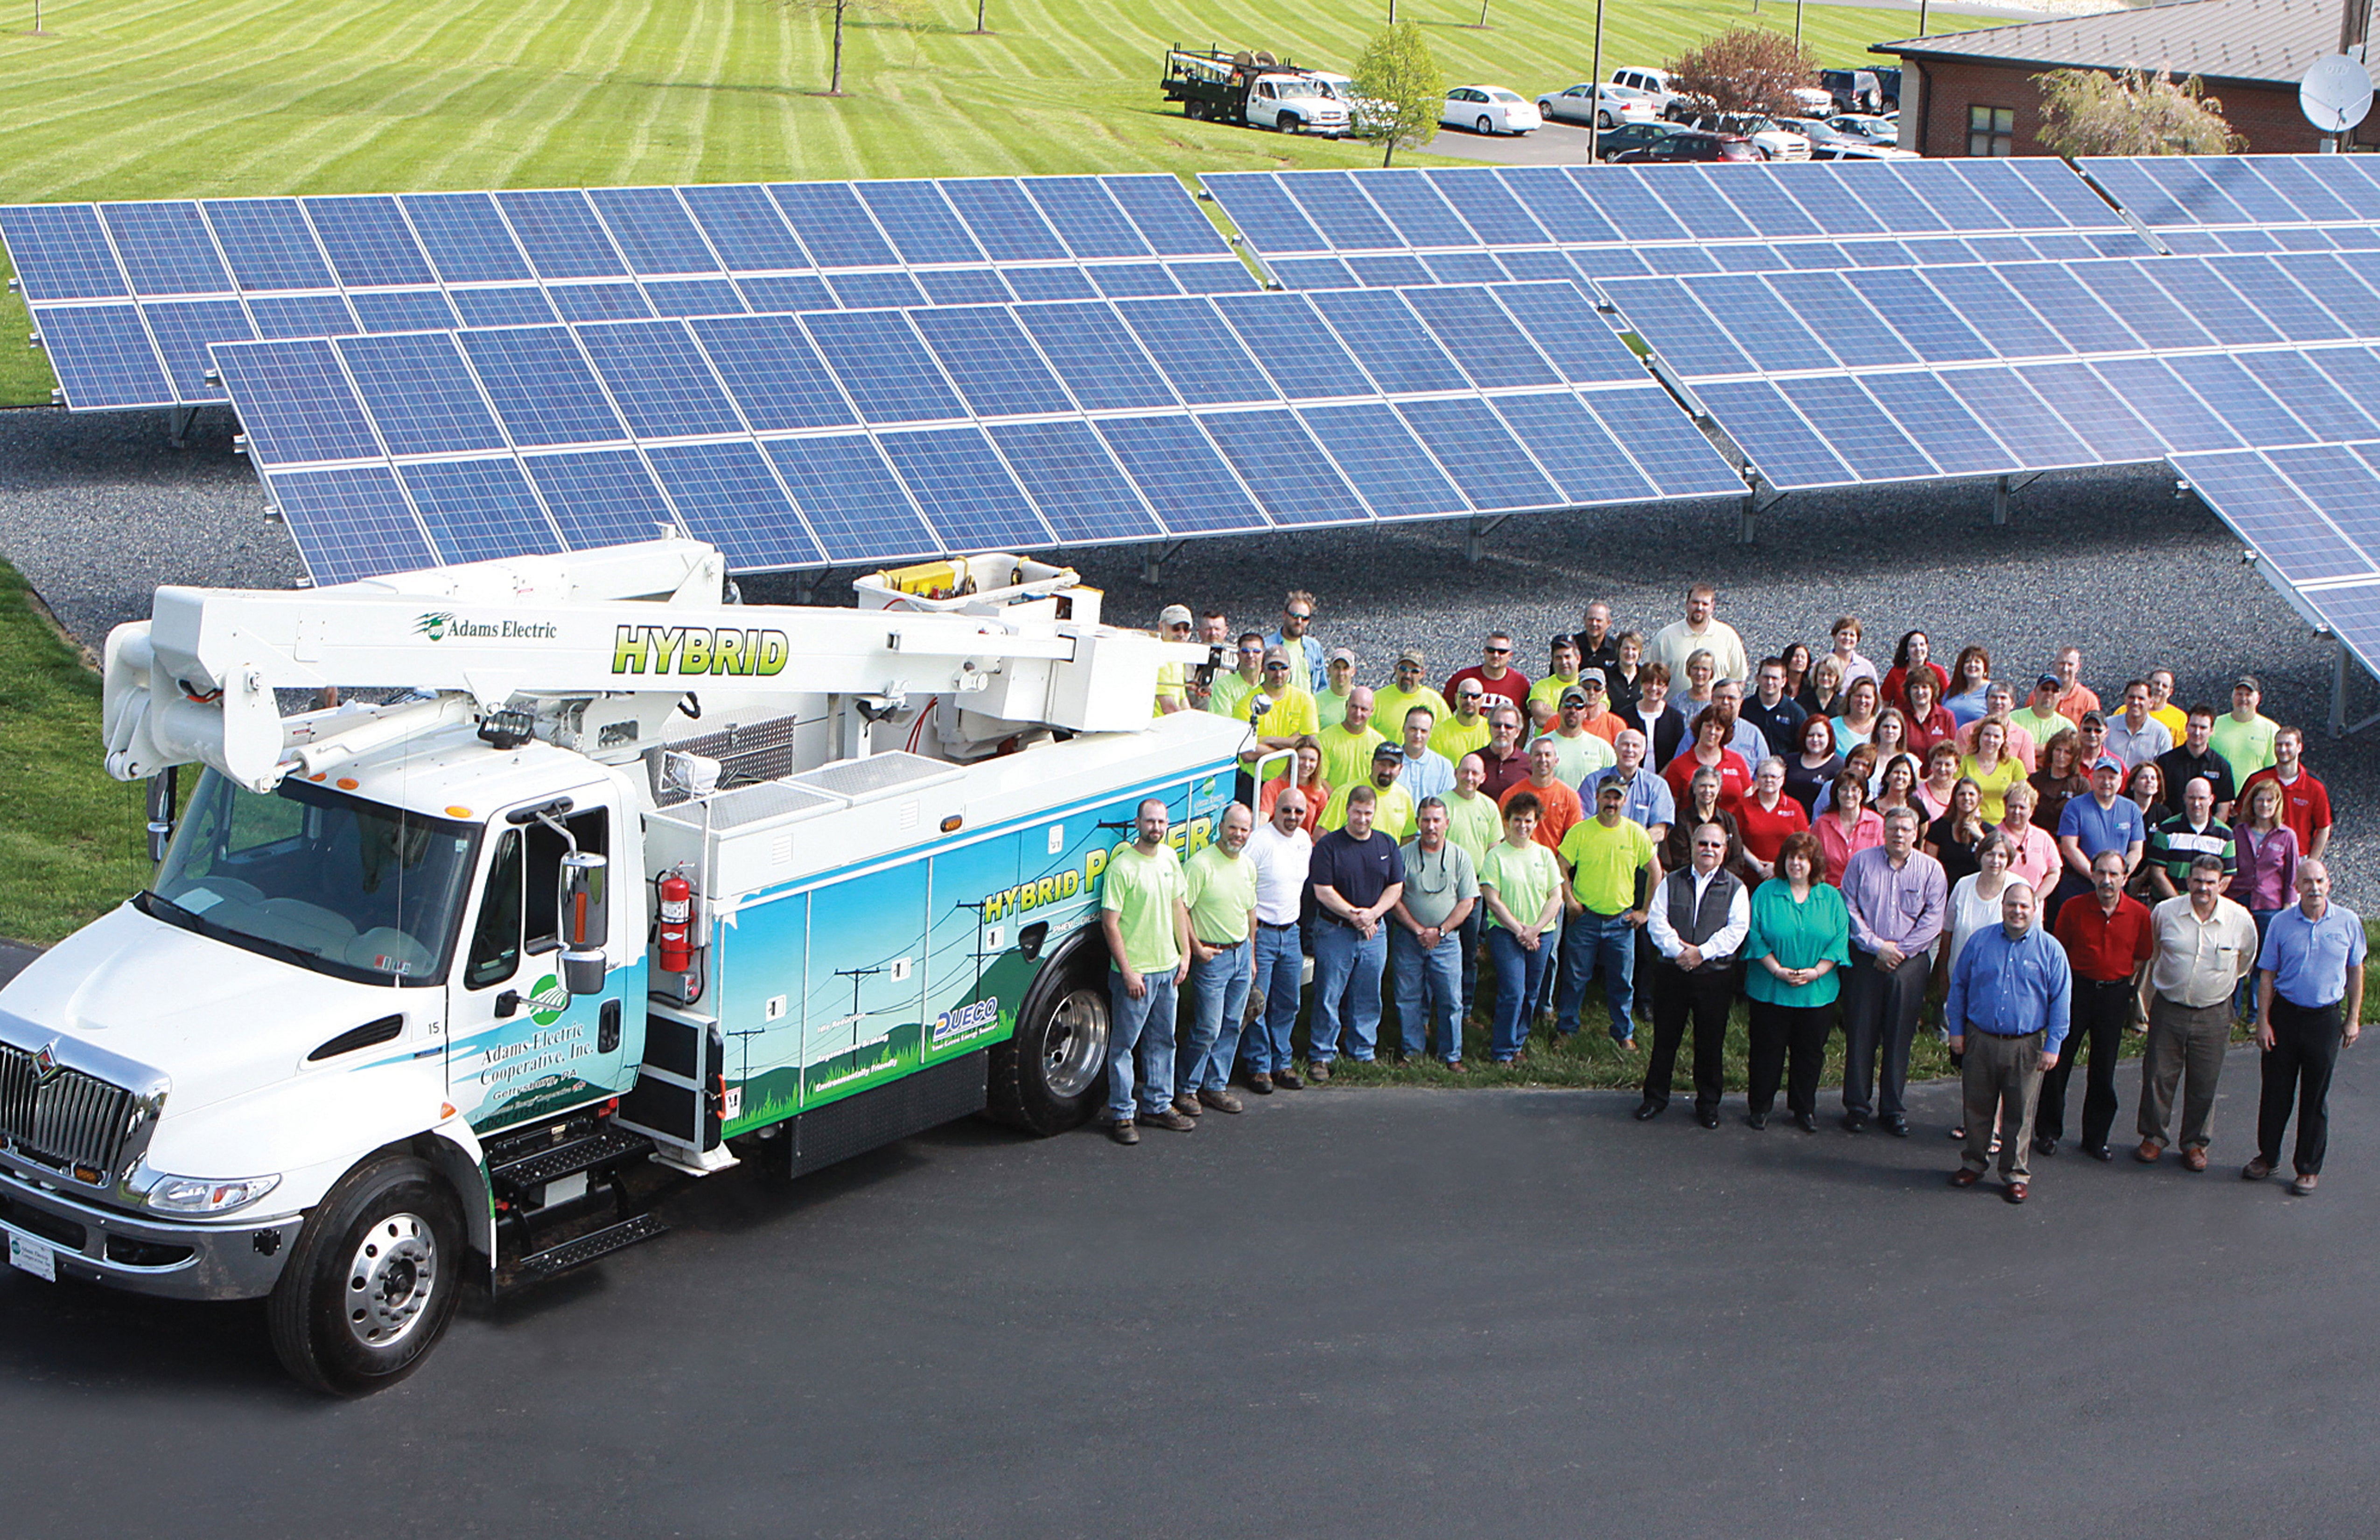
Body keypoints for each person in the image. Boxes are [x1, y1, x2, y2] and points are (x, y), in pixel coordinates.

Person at [1946, 880, 2070, 1204]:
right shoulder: (1980, 942)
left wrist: (2053, 1044)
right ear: (2002, 906)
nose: (2017, 911)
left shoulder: (2050, 949)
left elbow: (2061, 1001)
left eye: (2024, 906)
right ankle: (1973, 1162)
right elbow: (1959, 986)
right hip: (1980, 1039)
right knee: (1977, 1106)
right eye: (2012, 904)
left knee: (2020, 1112)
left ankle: (2015, 1173)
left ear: (2035, 909)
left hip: (2026, 1045)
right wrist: (1956, 1032)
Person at [2247, 860, 2365, 1194]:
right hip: (2285, 1016)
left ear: (2329, 884)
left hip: (2324, 1019)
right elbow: (2267, 974)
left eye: (2319, 881)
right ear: (2296, 886)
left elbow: (2356, 970)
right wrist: (2263, 1021)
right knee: (2275, 1092)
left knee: (2315, 1098)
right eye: (2307, 882)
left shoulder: (2348, 922)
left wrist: (2353, 1017)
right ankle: (2267, 1158)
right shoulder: (2282, 923)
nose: (2314, 887)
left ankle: (2308, 1168)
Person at [2135, 854, 2259, 1170]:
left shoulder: (2240, 919)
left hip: (2214, 1012)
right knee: (2158, 1075)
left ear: (2222, 884)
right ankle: (2153, 1137)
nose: (2203, 887)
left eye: (2210, 882)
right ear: (2188, 881)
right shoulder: (2165, 912)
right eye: (2198, 880)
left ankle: (2194, 1144)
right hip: (2170, 1007)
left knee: (2205, 1081)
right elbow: (2155, 953)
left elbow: (2245, 961)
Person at [1840, 807, 1947, 1136]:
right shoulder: (1861, 862)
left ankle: (1893, 1108)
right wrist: (1877, 946)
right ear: (1882, 832)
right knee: (1861, 1032)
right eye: (1893, 828)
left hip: (1910, 962)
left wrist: (1899, 952)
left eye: (1906, 828)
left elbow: (1933, 920)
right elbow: (1849, 906)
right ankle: (1857, 1106)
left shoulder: (1932, 870)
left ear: (1916, 833)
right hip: (1867, 957)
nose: (1899, 834)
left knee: (1900, 1035)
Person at [2044, 849, 2154, 1161]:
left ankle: (2096, 1137)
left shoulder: (2139, 914)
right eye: (2101, 873)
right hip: (2077, 990)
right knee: (2059, 1062)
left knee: (2104, 1068)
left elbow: (2141, 954)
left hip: (2115, 995)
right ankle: (2049, 1131)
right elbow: (2060, 951)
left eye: (2114, 874)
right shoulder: (2073, 907)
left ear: (2125, 877)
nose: (2107, 880)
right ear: (2091, 875)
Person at [1637, 822, 1749, 1128]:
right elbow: (1658, 922)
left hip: (1715, 976)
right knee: (1665, 1039)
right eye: (1703, 844)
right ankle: (1655, 1098)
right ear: (1692, 846)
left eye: (1715, 845)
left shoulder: (1737, 888)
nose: (1708, 850)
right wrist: (1680, 952)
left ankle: (1709, 1104)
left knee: (1710, 1042)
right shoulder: (1671, 882)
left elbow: (1736, 930)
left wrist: (1703, 952)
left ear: (1724, 851)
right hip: (1674, 973)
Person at [1099, 799, 1193, 1143]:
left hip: (1167, 970)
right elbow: (1110, 924)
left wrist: (1184, 954)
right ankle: (1123, 1114)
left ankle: (1158, 1105)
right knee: (1124, 1045)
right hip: (1136, 974)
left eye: (1161, 821)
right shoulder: (1122, 868)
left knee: (1163, 1041)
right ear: (1138, 823)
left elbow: (1178, 906)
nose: (1156, 827)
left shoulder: (1170, 858)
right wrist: (1127, 971)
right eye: (1150, 821)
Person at [1743, 830, 1849, 1133]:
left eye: (1803, 858)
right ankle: (1760, 1106)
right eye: (1791, 857)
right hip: (1770, 988)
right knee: (1767, 1050)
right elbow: (1754, 934)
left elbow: (1840, 938)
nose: (1796, 864)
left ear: (1813, 863)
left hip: (1816, 991)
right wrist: (1776, 969)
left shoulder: (1830, 896)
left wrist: (1816, 971)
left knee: (1810, 1053)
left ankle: (1804, 1108)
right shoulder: (1765, 893)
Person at [1305, 785, 1406, 1080]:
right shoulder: (1329, 847)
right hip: (1335, 932)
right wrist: (1356, 916)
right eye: (1358, 812)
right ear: (1348, 810)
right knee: (1328, 995)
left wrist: (1373, 914)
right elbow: (1322, 891)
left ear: (1375, 813)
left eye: (1368, 813)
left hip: (1375, 933)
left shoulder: (1387, 845)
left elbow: (1396, 887)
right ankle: (1321, 1055)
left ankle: (1363, 1051)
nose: (1362, 819)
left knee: (1368, 994)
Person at [1556, 779, 1661, 1049]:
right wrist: (1570, 901)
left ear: (1624, 802)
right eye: (1606, 798)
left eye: (1617, 799)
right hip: (1585, 918)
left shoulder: (1636, 834)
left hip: (1622, 922)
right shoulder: (1581, 832)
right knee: (1575, 978)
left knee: (1622, 982)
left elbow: (1655, 872)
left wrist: (1645, 911)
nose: (1611, 804)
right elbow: (1562, 866)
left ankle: (1624, 1032)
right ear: (1597, 798)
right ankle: (1567, 1029)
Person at [1176, 802, 1258, 1117]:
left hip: (1240, 955)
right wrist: (1196, 948)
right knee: (1208, 1027)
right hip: (1213, 957)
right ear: (1220, 827)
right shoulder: (1200, 865)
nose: (1238, 834)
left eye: (1244, 829)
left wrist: (1250, 954)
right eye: (1233, 827)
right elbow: (1181, 909)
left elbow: (1251, 911)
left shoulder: (1248, 866)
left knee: (1232, 1025)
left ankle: (1215, 1087)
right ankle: (1185, 1088)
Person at [1391, 798, 1477, 1071]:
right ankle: (1412, 1052)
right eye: (1426, 820)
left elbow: (1467, 901)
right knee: (1408, 997)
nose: (1431, 826)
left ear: (1447, 824)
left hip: (1447, 941)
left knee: (1452, 999)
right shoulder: (1403, 855)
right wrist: (1418, 930)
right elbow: (1394, 897)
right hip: (1409, 937)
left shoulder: (1460, 856)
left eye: (1437, 820)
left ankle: (1451, 1056)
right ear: (1418, 823)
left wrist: (1441, 931)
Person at [1479, 794, 1564, 1064]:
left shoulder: (1545, 855)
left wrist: (1536, 929)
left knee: (1531, 992)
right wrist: (1520, 931)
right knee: (1513, 992)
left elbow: (1556, 897)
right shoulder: (1496, 856)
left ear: (1536, 822)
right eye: (1517, 820)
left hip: (1541, 934)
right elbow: (1492, 899)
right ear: (1507, 822)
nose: (1523, 826)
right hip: (1506, 933)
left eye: (1529, 820)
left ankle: (1518, 1043)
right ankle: (1502, 1051)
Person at [1241, 787, 1313, 1094]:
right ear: (1276, 810)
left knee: (1288, 1002)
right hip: (1263, 932)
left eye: (1299, 811)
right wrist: (1251, 941)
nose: (1293, 817)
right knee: (1258, 1002)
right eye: (1287, 811)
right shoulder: (1259, 841)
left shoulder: (1304, 841)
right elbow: (1242, 884)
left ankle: (1281, 1062)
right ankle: (1258, 1067)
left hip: (1291, 932)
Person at [2229, 777, 2301, 1017]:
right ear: (2253, 803)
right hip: (2239, 899)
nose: (2265, 805)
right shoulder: (2238, 832)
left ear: (2277, 804)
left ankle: (2256, 1013)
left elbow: (2291, 874)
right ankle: (2232, 1011)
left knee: (2264, 960)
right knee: (2237, 956)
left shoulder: (2286, 836)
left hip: (2269, 904)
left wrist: (2288, 906)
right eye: (2260, 800)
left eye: (2270, 800)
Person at [1443, 753, 1504, 1020]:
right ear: (1456, 772)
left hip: (1474, 895)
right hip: (1443, 892)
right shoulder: (1442, 804)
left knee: (1469, 955)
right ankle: (1432, 1011)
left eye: (1475, 774)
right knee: (1438, 951)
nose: (1469, 778)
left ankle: (1464, 1010)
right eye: (1465, 771)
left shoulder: (1489, 808)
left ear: (1483, 778)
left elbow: (1494, 852)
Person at [2053, 754, 2144, 924]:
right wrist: (2097, 877)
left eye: (2112, 777)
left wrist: (2119, 877)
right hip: (2079, 884)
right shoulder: (2075, 807)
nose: (2106, 782)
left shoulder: (2132, 809)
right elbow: (2069, 848)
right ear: (2092, 778)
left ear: (2121, 780)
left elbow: (2136, 851)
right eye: (2101, 777)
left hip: (2117, 889)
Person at [2239, 725, 2331, 860]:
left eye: (2288, 745)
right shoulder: (2257, 780)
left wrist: (2311, 862)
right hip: (2260, 856)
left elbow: (2324, 828)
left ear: (2299, 748)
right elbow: (2242, 818)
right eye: (2279, 745)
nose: (2283, 750)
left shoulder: (2315, 787)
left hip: (2297, 857)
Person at [1586, 729, 1677, 847]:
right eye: (1625, 744)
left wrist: (1628, 848)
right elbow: (1584, 822)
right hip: (1601, 850)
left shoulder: (1658, 786)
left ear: (1643, 752)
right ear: (1615, 748)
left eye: (1635, 746)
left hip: (1640, 857)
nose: (1630, 750)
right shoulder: (1594, 782)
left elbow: (1659, 831)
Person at [2147, 776, 2234, 899]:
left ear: (2211, 800)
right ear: (2184, 799)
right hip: (2168, 904)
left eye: (2202, 798)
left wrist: (2204, 900)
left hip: (2206, 907)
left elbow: (2227, 877)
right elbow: (2157, 872)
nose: (2197, 803)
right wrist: (2179, 902)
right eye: (2192, 798)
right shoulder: (2167, 830)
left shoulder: (2225, 835)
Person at [1663, 765, 1747, 889]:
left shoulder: (1729, 820)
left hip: (1724, 885)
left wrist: (1718, 879)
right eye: (1703, 786)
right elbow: (1680, 859)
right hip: (1689, 884)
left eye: (1712, 786)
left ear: (1719, 789)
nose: (1707, 791)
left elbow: (1737, 859)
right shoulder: (1683, 820)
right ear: (1694, 788)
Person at [1648, 581, 1748, 684]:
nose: (1699, 608)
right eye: (1695, 603)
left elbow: (1738, 679)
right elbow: (1649, 677)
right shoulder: (1665, 637)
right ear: (1687, 603)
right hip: (1674, 701)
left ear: (1712, 607)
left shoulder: (1729, 636)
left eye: (1705, 604)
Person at [1316, 742, 1418, 842]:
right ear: (1372, 763)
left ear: (1401, 768)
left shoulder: (1404, 797)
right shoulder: (1346, 793)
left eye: (1392, 766)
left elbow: (1408, 838)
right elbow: (1321, 835)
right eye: (1382, 765)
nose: (1386, 771)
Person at [1735, 756, 1809, 884]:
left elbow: (1804, 843)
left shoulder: (1794, 807)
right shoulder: (1743, 806)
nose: (1769, 780)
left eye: (1774, 777)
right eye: (1764, 776)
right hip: (1750, 876)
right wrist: (1758, 867)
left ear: (1783, 780)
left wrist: (1778, 867)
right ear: (1757, 778)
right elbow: (1736, 841)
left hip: (1787, 876)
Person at [2154, 706, 2236, 821]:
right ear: (2186, 727)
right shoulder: (2166, 762)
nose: (2197, 732)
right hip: (2171, 831)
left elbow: (2223, 811)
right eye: (2194, 726)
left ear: (2211, 731)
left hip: (2207, 834)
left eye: (2203, 728)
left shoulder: (2221, 766)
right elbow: (2157, 802)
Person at [1663, 707, 1753, 809]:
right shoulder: (1679, 765)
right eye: (1709, 726)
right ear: (1700, 727)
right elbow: (1669, 806)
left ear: (1725, 733)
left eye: (1719, 728)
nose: (1713, 732)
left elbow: (1749, 800)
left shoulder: (1737, 761)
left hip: (1731, 824)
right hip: (1692, 824)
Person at [1816, 769, 1885, 886]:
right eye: (1844, 789)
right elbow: (1814, 862)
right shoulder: (1822, 824)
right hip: (1831, 892)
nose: (1849, 795)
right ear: (1836, 793)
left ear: (1863, 793)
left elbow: (1885, 861)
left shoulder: (1877, 822)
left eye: (1855, 790)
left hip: (1867, 892)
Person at [1540, 686, 1618, 787]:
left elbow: (1613, 786)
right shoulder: (1540, 746)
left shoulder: (1602, 748)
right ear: (1559, 709)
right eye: (1568, 705)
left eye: (1579, 707)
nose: (1573, 710)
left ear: (1586, 712)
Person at [1314, 686, 1384, 796]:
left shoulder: (1379, 742)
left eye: (1364, 709)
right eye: (1354, 707)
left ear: (1372, 711)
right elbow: (1319, 778)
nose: (1358, 713)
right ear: (1346, 706)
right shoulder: (1324, 739)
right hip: (1334, 805)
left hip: (1367, 809)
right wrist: (1339, 801)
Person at [1997, 781, 2061, 899]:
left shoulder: (2044, 838)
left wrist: (2035, 899)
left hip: (2033, 910)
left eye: (2022, 807)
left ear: (2032, 810)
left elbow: (2054, 872)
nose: (2017, 812)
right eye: (2012, 806)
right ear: (2005, 806)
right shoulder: (1994, 835)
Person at [1444, 631, 1530, 716]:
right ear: (1484, 652)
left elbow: (1524, 721)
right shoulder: (1463, 678)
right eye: (1491, 650)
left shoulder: (1520, 683)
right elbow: (1444, 712)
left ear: (1510, 656)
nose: (1496, 655)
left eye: (1502, 652)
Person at [2210, 675, 2280, 779]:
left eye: (2248, 695)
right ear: (2232, 696)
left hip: (2253, 794)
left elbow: (2272, 772)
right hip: (2220, 794)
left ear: (2258, 699)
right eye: (2239, 694)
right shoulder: (2214, 725)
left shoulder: (2271, 730)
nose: (2243, 699)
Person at [1959, 717, 2026, 825]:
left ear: (2004, 740)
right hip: (1970, 823)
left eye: (1996, 736)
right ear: (1979, 736)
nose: (1991, 740)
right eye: (1987, 735)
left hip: (2004, 826)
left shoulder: (2015, 765)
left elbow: (2023, 798)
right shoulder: (1964, 762)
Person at [1258, 737, 1329, 836]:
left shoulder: (1320, 794)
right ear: (1293, 759)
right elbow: (1263, 817)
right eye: (1302, 758)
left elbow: (1317, 832)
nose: (1307, 764)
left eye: (1312, 760)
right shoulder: (1272, 786)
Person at [1926, 776, 1988, 888]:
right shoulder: (1939, 828)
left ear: (1979, 798)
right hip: (1945, 890)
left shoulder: (1988, 831)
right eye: (1962, 794)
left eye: (1971, 794)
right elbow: (1930, 866)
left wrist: (1981, 837)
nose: (1967, 798)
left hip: (1976, 890)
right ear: (1954, 797)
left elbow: (1994, 859)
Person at [1375, 648, 1451, 735]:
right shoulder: (1377, 699)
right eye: (1403, 669)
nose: (1408, 675)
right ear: (1396, 669)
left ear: (1423, 674)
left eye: (1414, 671)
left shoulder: (1436, 701)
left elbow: (1447, 733)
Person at [1743, 657, 1808, 759]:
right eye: (1766, 677)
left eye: (1775, 678)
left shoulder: (1796, 714)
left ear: (1784, 682)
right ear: (1757, 678)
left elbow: (1803, 750)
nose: (1770, 682)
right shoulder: (1744, 709)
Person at [2029, 728, 2088, 838]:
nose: (2061, 756)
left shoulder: (2081, 784)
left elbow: (2085, 820)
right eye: (2058, 750)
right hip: (2036, 837)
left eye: (2067, 752)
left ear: (2075, 757)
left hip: (2066, 840)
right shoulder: (2035, 780)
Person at [2104, 679, 2174, 770]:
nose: (2136, 702)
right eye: (2132, 697)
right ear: (2125, 700)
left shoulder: (2161, 734)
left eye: (2141, 698)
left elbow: (2164, 770)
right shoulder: (2107, 726)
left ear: (2151, 703)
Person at [1391, 705, 1454, 804]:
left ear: (1430, 733)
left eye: (1423, 731)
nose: (1418, 736)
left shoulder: (1444, 767)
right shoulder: (1389, 763)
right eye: (1413, 729)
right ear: (1403, 728)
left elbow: (1449, 804)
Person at [1628, 663, 1686, 768]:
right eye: (1649, 683)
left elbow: (1678, 755)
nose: (1654, 688)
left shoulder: (1676, 718)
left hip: (1666, 780)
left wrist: (1659, 780)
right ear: (1641, 684)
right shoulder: (1626, 715)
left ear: (1667, 688)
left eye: (1660, 684)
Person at [1783, 715, 1841, 817]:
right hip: (1787, 819)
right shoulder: (1789, 761)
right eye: (1811, 735)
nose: (1815, 739)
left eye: (1820, 736)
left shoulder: (1839, 766)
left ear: (1830, 737)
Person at [1265, 590, 1324, 691]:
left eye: (1305, 618)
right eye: (1295, 616)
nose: (1299, 622)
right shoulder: (1267, 646)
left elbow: (1322, 687)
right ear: (1284, 615)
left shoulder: (1314, 648)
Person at [1526, 636, 1588, 730]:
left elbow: (1594, 719)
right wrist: (1577, 717)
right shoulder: (1541, 687)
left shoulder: (1590, 685)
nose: (1564, 662)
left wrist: (1553, 714)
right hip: (1547, 743)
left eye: (1568, 657)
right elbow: (1540, 719)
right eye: (1558, 658)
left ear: (1578, 659)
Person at [1880, 629, 1950, 710]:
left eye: (1922, 645)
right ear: (1906, 649)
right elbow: (1884, 703)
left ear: (1927, 648)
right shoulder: (1895, 673)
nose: (1918, 649)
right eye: (1913, 646)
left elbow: (1948, 700)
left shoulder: (1938, 672)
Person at [1476, 704, 1531, 801]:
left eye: (1508, 727)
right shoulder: (1475, 760)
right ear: (1490, 728)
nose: (1502, 731)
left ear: (1518, 732)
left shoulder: (1530, 763)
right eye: (1497, 726)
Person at [1429, 681, 1492, 764]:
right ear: (1456, 698)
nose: (1469, 701)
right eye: (1464, 696)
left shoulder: (1492, 729)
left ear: (1483, 700)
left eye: (1475, 696)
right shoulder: (1437, 733)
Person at [1208, 633, 1264, 725]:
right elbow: (1221, 724)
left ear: (1263, 655)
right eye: (1245, 651)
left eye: (1256, 652)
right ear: (1238, 655)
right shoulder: (1223, 685)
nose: (1250, 656)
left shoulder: (1269, 683)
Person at [1899, 672, 1958, 758]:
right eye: (1915, 687)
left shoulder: (1947, 716)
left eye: (1925, 687)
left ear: (1933, 690)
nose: (1920, 692)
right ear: (1909, 691)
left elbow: (1953, 752)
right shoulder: (1899, 714)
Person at [2012, 673, 2077, 751]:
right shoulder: (2013, 719)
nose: (2049, 693)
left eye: (2055, 691)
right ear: (2035, 691)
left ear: (2060, 696)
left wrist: (2028, 747)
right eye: (2045, 689)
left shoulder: (2067, 726)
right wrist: (2048, 749)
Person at [1153, 603, 1194, 715]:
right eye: (1176, 628)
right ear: (1161, 627)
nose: (1181, 634)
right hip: (1156, 726)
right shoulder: (1158, 656)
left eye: (1186, 629)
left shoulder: (1177, 656)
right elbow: (1169, 708)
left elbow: (1183, 700)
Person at [1943, 645, 1994, 726]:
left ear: (1985, 667)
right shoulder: (1953, 690)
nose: (1972, 665)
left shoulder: (1992, 691)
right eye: (1968, 662)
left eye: (1977, 662)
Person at [1831, 676, 1883, 753]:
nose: (1863, 700)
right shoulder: (1832, 726)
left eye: (1868, 697)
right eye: (1858, 696)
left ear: (1875, 700)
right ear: (1849, 698)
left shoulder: (1882, 726)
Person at [1825, 615, 1877, 690]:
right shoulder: (1821, 665)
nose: (1848, 638)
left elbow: (1875, 696)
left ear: (1858, 640)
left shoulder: (1867, 668)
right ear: (1834, 635)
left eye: (1852, 635)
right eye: (1844, 634)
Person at [1668, 647, 1719, 724]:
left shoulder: (1718, 702)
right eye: (1696, 668)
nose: (1700, 673)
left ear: (1712, 672)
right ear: (1689, 670)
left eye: (1705, 669)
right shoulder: (1677, 702)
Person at [1573, 600, 1622, 679]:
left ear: (1609, 623)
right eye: (1590, 620)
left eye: (1599, 620)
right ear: (1584, 620)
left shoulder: (1616, 649)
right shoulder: (1572, 646)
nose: (1594, 624)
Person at [1870, 753, 1924, 826]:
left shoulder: (1917, 805)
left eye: (1905, 773)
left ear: (1911, 781)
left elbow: (1922, 834)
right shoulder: (1871, 809)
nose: (1900, 777)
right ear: (1887, 777)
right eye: (1896, 772)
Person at [2051, 645, 2100, 722]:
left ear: (2077, 667)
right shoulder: (2038, 695)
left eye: (2070, 665)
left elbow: (2094, 731)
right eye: (2061, 664)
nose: (2065, 669)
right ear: (2054, 665)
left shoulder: (2089, 700)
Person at [1915, 741, 1961, 821]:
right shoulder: (1919, 793)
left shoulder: (1963, 790)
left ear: (1956, 767)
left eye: (1948, 765)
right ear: (1931, 764)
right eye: (1938, 763)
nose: (1942, 769)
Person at [1315, 648, 1358, 731]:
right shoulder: (1315, 701)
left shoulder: (1361, 700)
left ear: (1353, 671)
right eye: (1337, 668)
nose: (1341, 673)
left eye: (1346, 668)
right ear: (1329, 670)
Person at [1798, 654, 1846, 723]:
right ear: (1816, 675)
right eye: (1822, 674)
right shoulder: (1802, 701)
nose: (1825, 678)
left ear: (1837, 678)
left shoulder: (1843, 704)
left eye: (1830, 675)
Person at [2145, 668, 2186, 742]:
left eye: (2165, 686)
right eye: (2156, 683)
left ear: (2170, 692)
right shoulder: (2124, 711)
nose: (2160, 688)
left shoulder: (2180, 718)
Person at [1608, 629, 1646, 700]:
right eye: (1626, 648)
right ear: (1619, 649)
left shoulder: (1645, 676)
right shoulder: (1607, 675)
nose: (1630, 653)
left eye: (1634, 649)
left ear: (1640, 652)